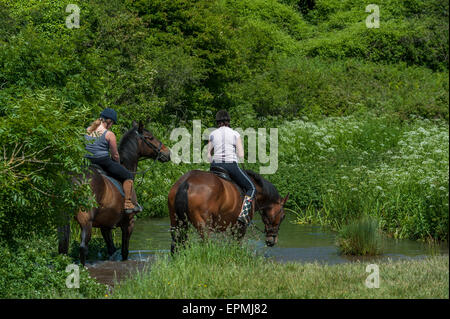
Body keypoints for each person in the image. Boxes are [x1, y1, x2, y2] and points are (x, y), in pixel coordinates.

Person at [84, 108, 141, 214]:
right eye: (113, 123)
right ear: (109, 121)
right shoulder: (109, 134)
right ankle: (128, 203)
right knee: (128, 175)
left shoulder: (87, 130)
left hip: (87, 162)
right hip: (103, 162)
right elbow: (115, 155)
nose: (112, 125)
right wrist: (118, 164)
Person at [207, 110, 256, 227]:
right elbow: (241, 154)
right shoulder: (235, 134)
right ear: (228, 121)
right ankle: (243, 214)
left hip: (215, 166)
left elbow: (208, 154)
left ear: (217, 122)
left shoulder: (212, 134)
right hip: (230, 165)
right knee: (251, 188)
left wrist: (212, 164)